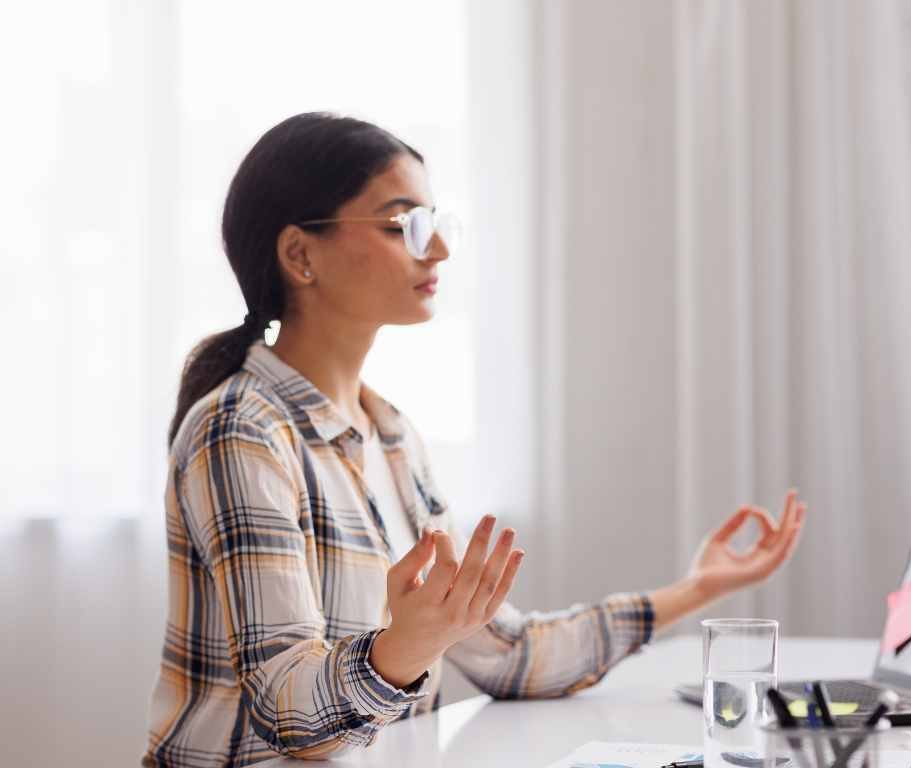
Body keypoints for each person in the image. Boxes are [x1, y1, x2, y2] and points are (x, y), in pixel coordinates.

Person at [142, 112, 807, 768]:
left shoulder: (392, 435)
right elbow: (292, 717)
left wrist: (697, 588)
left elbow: (507, 653)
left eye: (435, 223)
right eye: (403, 224)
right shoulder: (241, 431)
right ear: (300, 254)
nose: (438, 250)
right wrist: (400, 650)